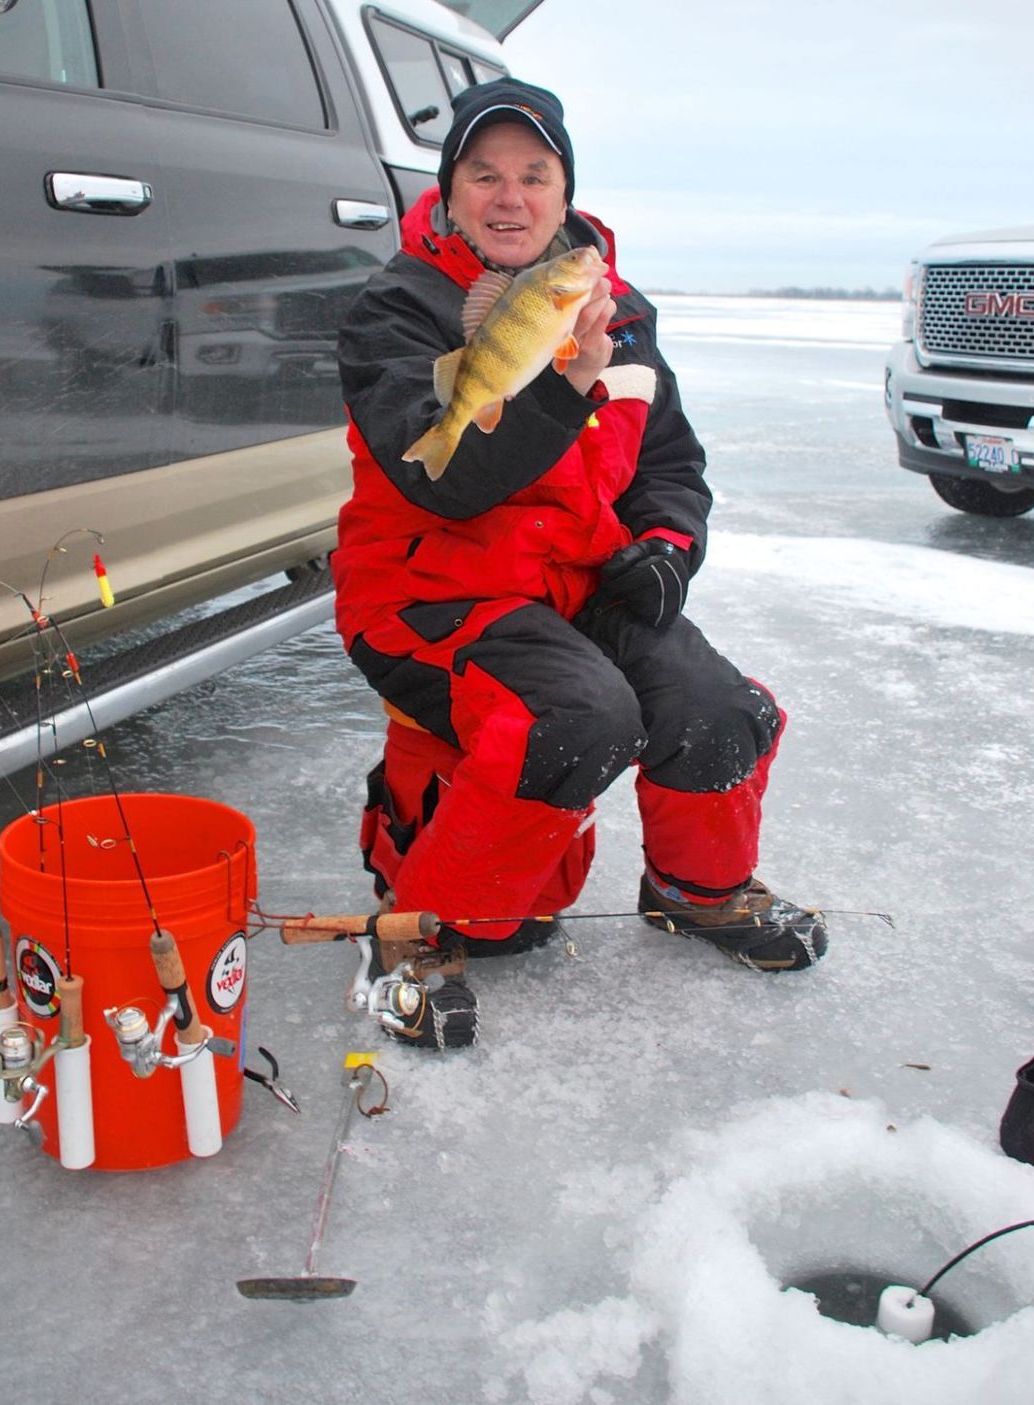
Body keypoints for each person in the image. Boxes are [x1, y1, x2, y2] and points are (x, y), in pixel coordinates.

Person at [333, 78, 827, 1048]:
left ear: (564, 195)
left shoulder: (618, 310)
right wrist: (564, 388)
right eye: (484, 175)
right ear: (452, 190)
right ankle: (418, 927)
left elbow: (671, 463)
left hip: (575, 583)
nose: (508, 197)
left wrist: (667, 553)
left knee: (717, 705)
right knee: (577, 717)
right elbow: (444, 484)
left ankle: (697, 888)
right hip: (425, 592)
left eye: (533, 175)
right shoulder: (397, 309)